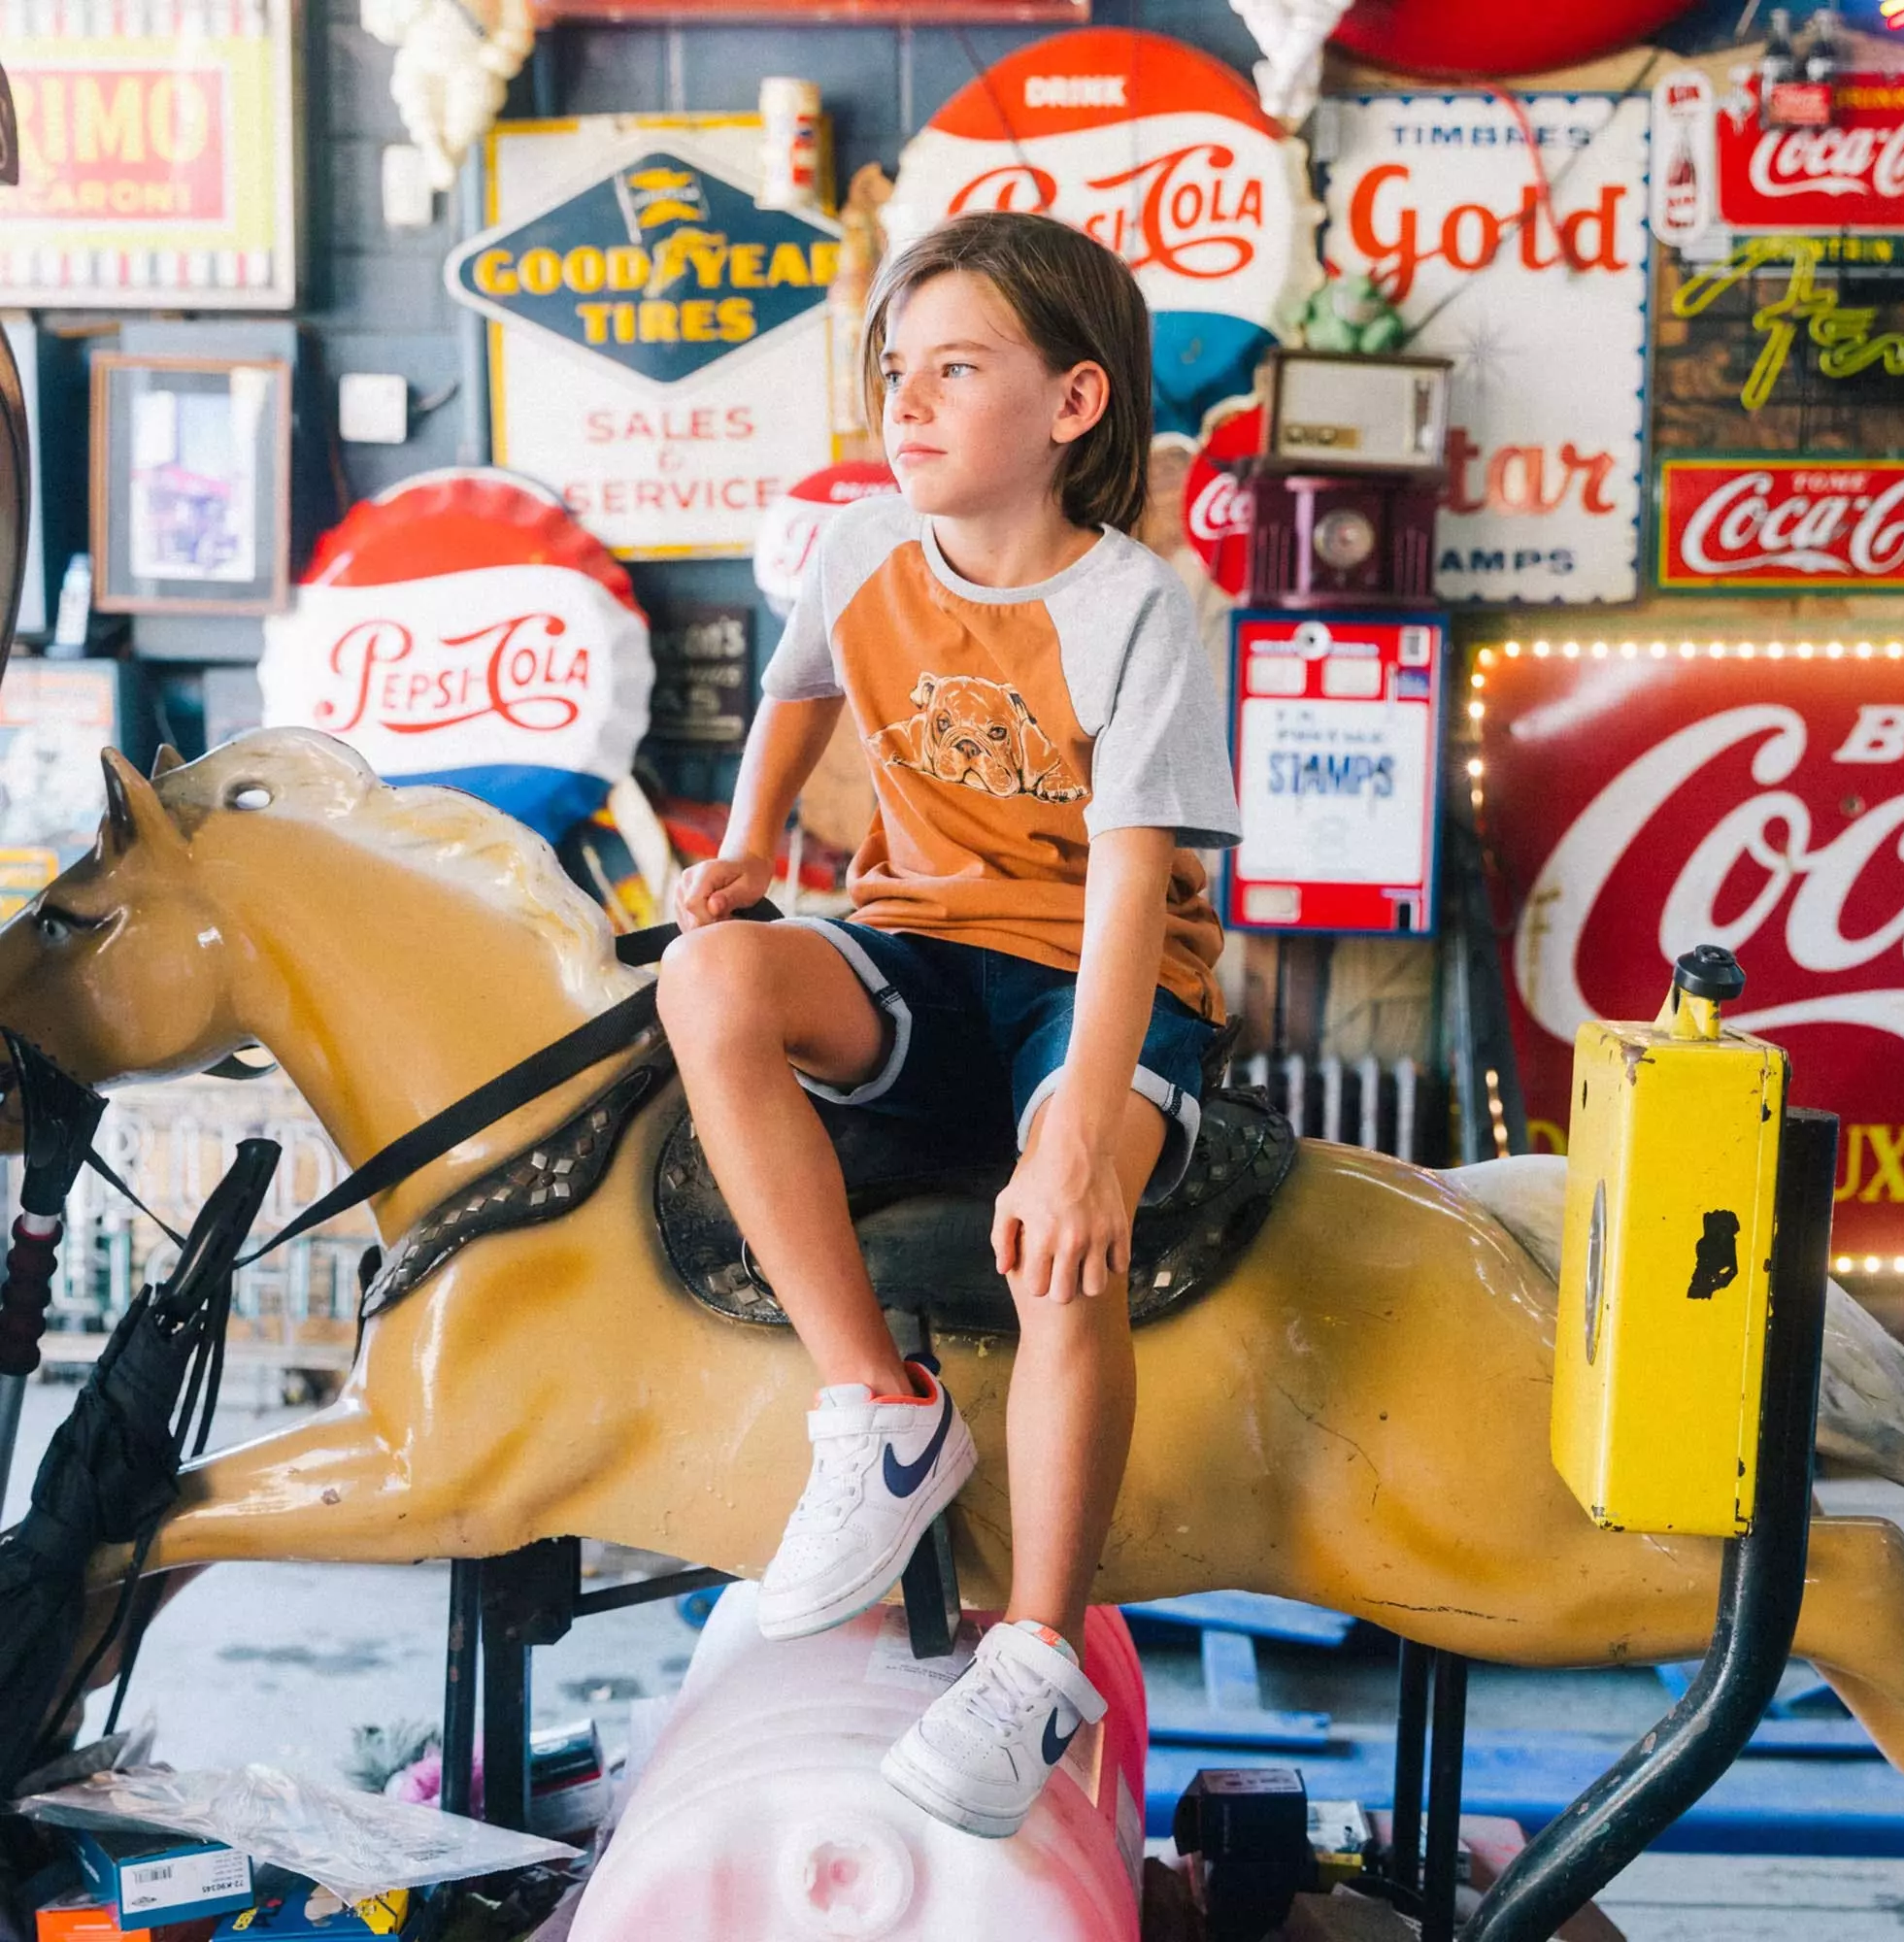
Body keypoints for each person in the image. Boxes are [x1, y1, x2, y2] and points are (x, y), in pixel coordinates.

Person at [657, 209, 1242, 1839]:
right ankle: (883, 1412)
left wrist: (1077, 1138)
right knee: (707, 980)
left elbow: (1131, 894)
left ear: (1072, 406)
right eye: (893, 372)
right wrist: (752, 845)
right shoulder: (857, 549)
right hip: (919, 941)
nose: (905, 404)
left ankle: (1039, 1651)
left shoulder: (1142, 609)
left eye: (956, 371)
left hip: (1096, 975)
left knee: (1061, 1237)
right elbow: (799, 683)